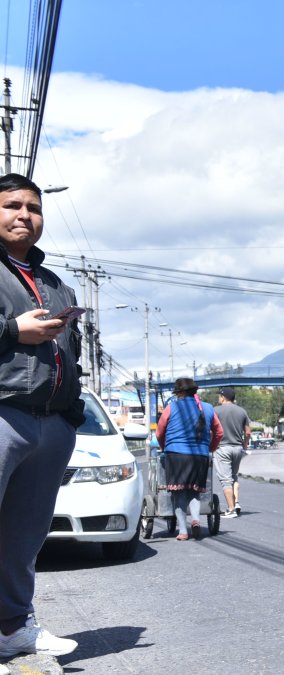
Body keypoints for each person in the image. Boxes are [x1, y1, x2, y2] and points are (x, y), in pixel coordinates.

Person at [0, 173, 84, 660]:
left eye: (33, 208)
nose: (24, 215)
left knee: (24, 535)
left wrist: (70, 415)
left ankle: (12, 627)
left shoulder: (55, 285)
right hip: (3, 414)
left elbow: (71, 352)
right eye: (12, 205)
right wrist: (12, 330)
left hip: (50, 423)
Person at [155, 377, 223, 541]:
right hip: (200, 456)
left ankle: (183, 531)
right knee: (194, 492)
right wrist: (210, 448)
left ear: (180, 393)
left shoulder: (172, 407)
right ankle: (196, 520)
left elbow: (159, 433)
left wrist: (165, 448)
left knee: (178, 494)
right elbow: (219, 432)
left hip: (176, 455)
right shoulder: (208, 408)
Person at [213, 386, 251, 517]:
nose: (218, 398)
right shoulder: (242, 411)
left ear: (223, 397)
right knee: (234, 476)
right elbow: (248, 432)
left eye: (219, 396)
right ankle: (236, 503)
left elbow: (211, 431)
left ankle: (231, 509)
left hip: (222, 448)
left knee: (226, 480)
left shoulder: (215, 411)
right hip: (238, 448)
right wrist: (245, 444)